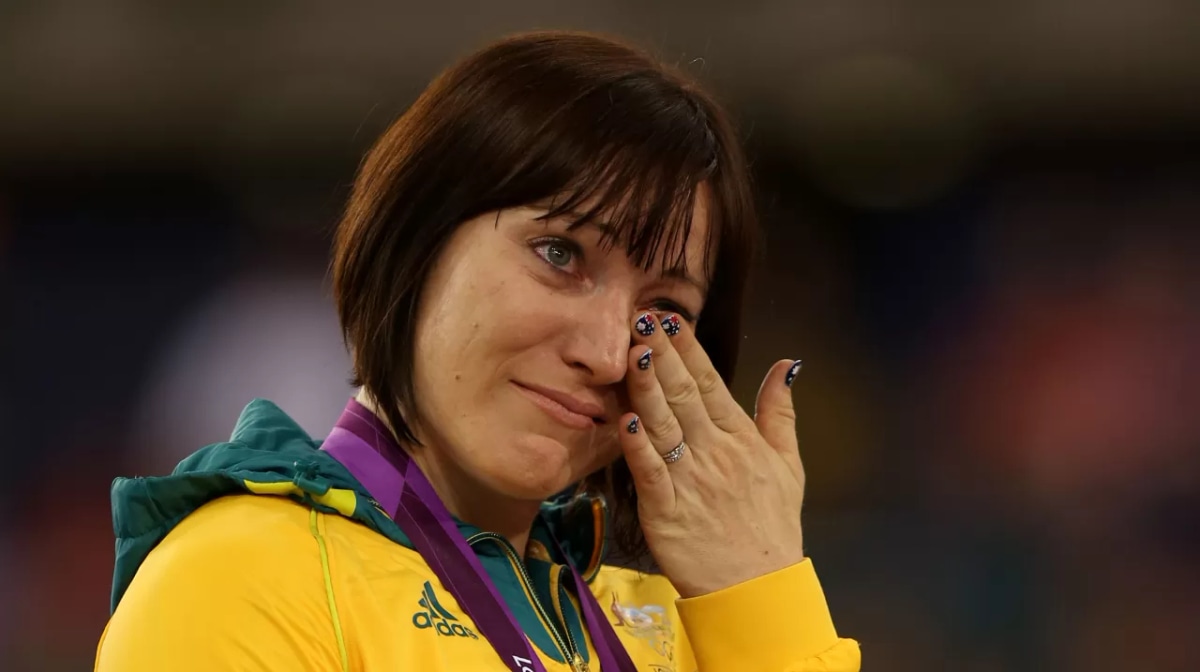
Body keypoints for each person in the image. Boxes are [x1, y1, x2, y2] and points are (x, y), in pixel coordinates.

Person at [95, 31, 861, 672]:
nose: (604, 351)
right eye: (560, 255)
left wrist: (762, 597)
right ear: (413, 241)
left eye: (662, 309)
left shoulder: (685, 624)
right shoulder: (238, 581)